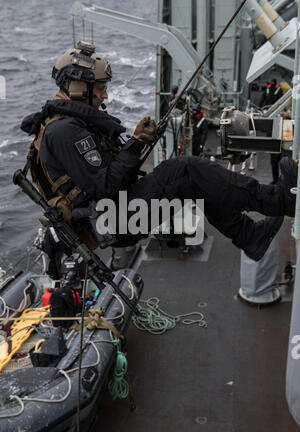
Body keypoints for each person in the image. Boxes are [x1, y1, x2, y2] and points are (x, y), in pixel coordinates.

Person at [20, 42, 298, 277]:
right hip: (112, 221)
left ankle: (249, 236)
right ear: (79, 85)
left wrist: (138, 142)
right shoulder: (65, 131)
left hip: (113, 213)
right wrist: (137, 143)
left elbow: (109, 178)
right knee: (186, 170)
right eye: (100, 88)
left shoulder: (69, 124)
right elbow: (104, 187)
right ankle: (279, 201)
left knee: (193, 182)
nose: (105, 94)